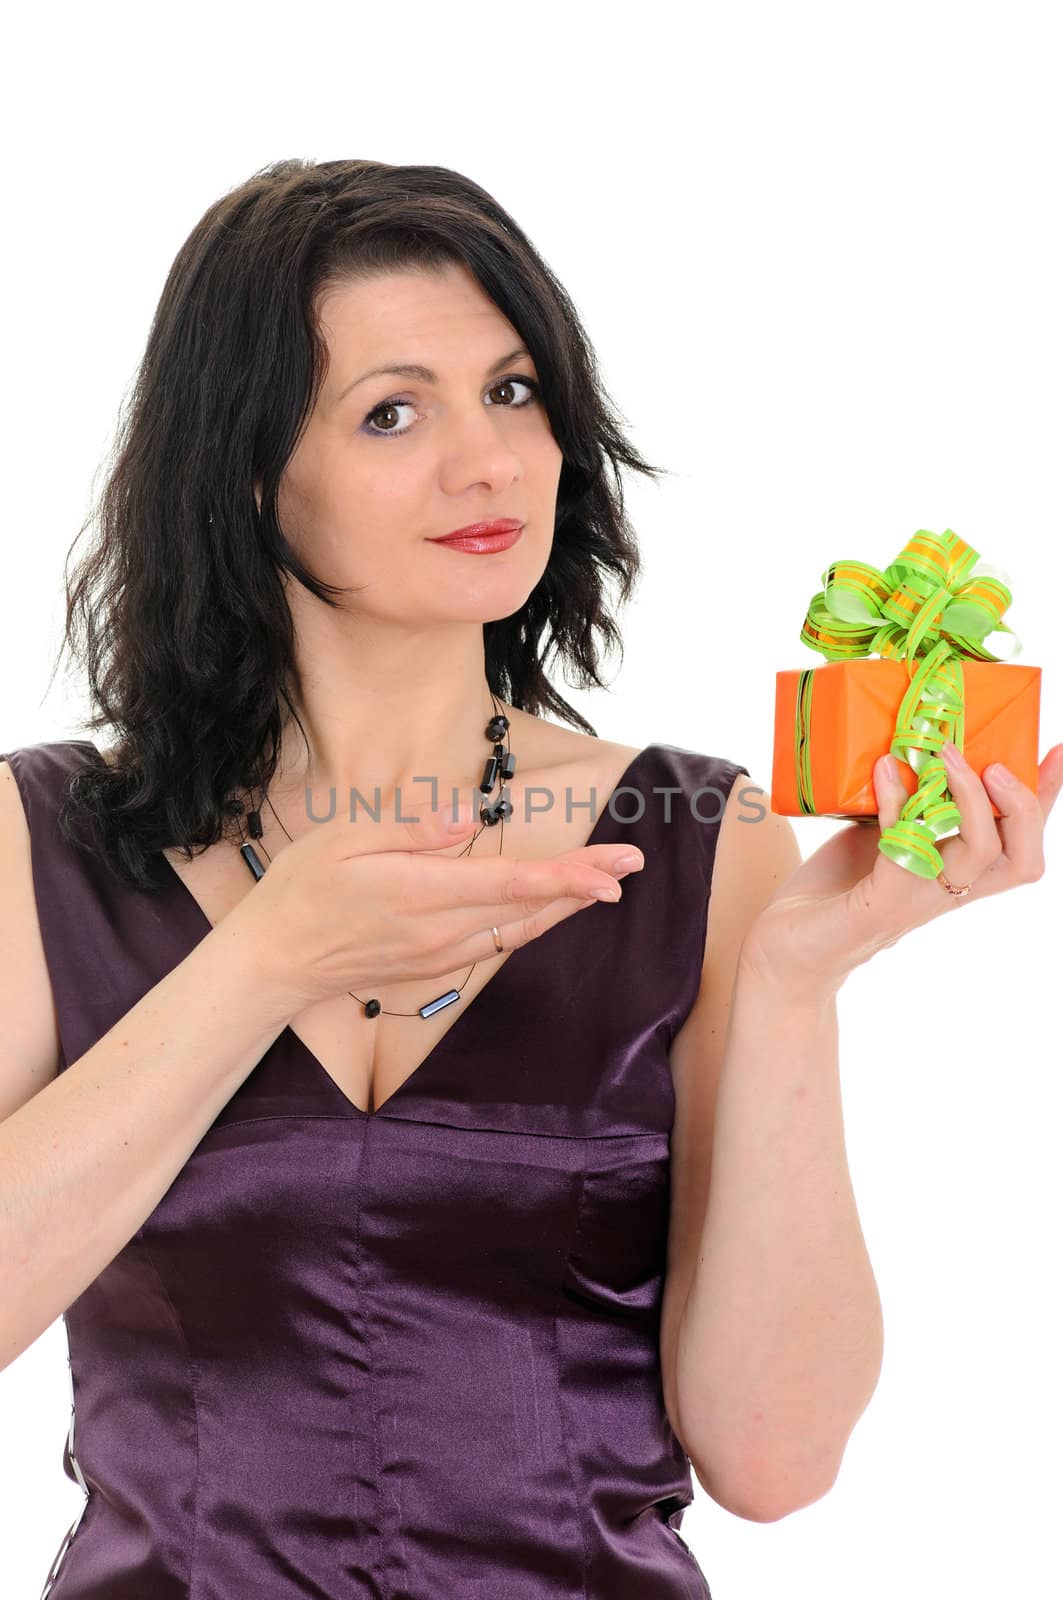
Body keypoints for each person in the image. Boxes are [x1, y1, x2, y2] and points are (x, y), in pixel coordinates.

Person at [1, 158, 1059, 1600]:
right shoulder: (40, 838)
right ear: (247, 471)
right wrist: (267, 959)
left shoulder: (699, 836)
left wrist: (795, 988)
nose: (489, 462)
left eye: (512, 392)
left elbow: (773, 1460)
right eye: (392, 412)